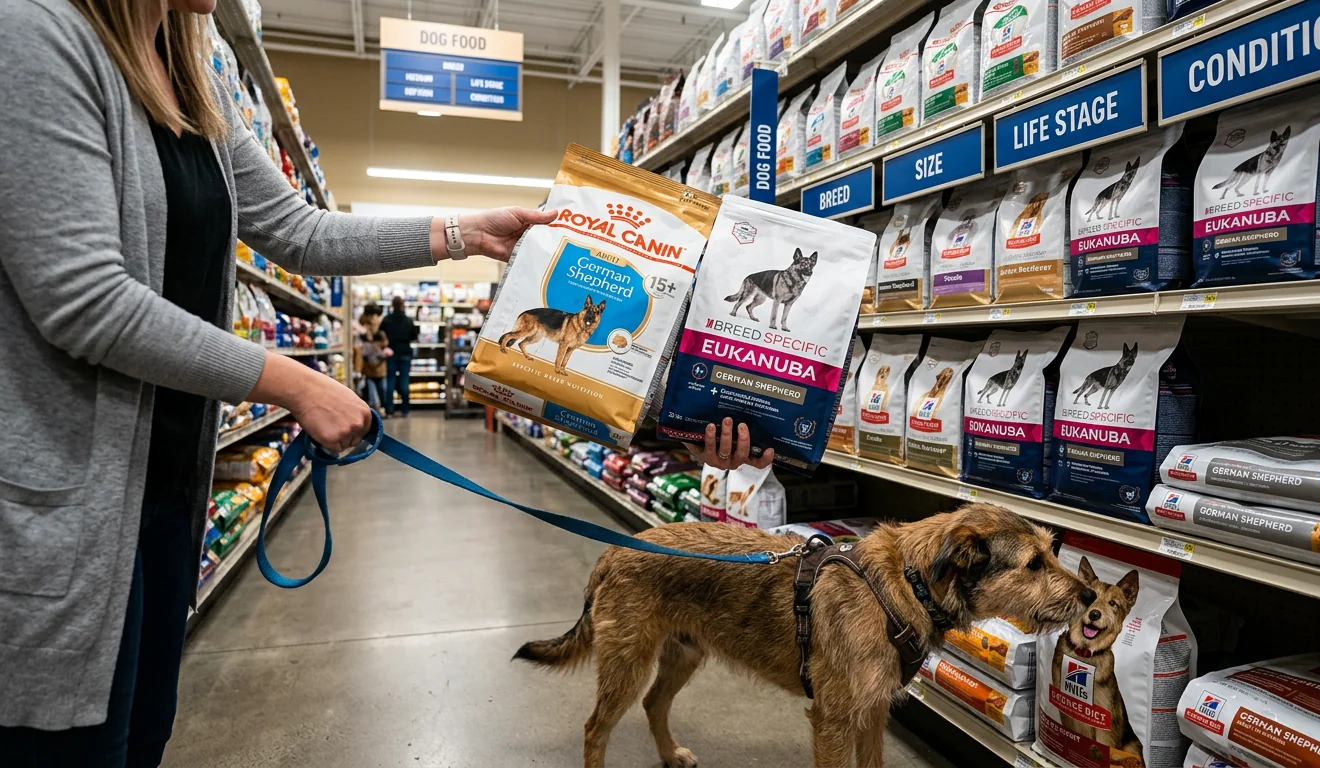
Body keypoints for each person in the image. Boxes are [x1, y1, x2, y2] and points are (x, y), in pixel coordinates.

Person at [0, 0, 767, 762]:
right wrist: (289, 381)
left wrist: (463, 233)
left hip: (167, 484)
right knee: (74, 743)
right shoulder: (37, 32)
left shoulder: (188, 82)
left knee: (141, 734)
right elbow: (83, 298)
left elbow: (298, 230)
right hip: (73, 501)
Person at [378, 295, 418, 417]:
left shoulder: (386, 319)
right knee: (404, 381)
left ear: (392, 306)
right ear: (402, 306)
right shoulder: (408, 320)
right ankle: (405, 410)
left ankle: (390, 409)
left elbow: (380, 334)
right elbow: (414, 336)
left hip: (391, 353)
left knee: (390, 381)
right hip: (405, 353)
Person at [355, 304, 389, 411]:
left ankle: (381, 407)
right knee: (372, 391)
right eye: (372, 316)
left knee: (381, 389)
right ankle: (375, 409)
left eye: (375, 316)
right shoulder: (363, 328)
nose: (374, 319)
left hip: (377, 364)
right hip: (369, 366)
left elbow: (385, 343)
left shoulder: (381, 329)